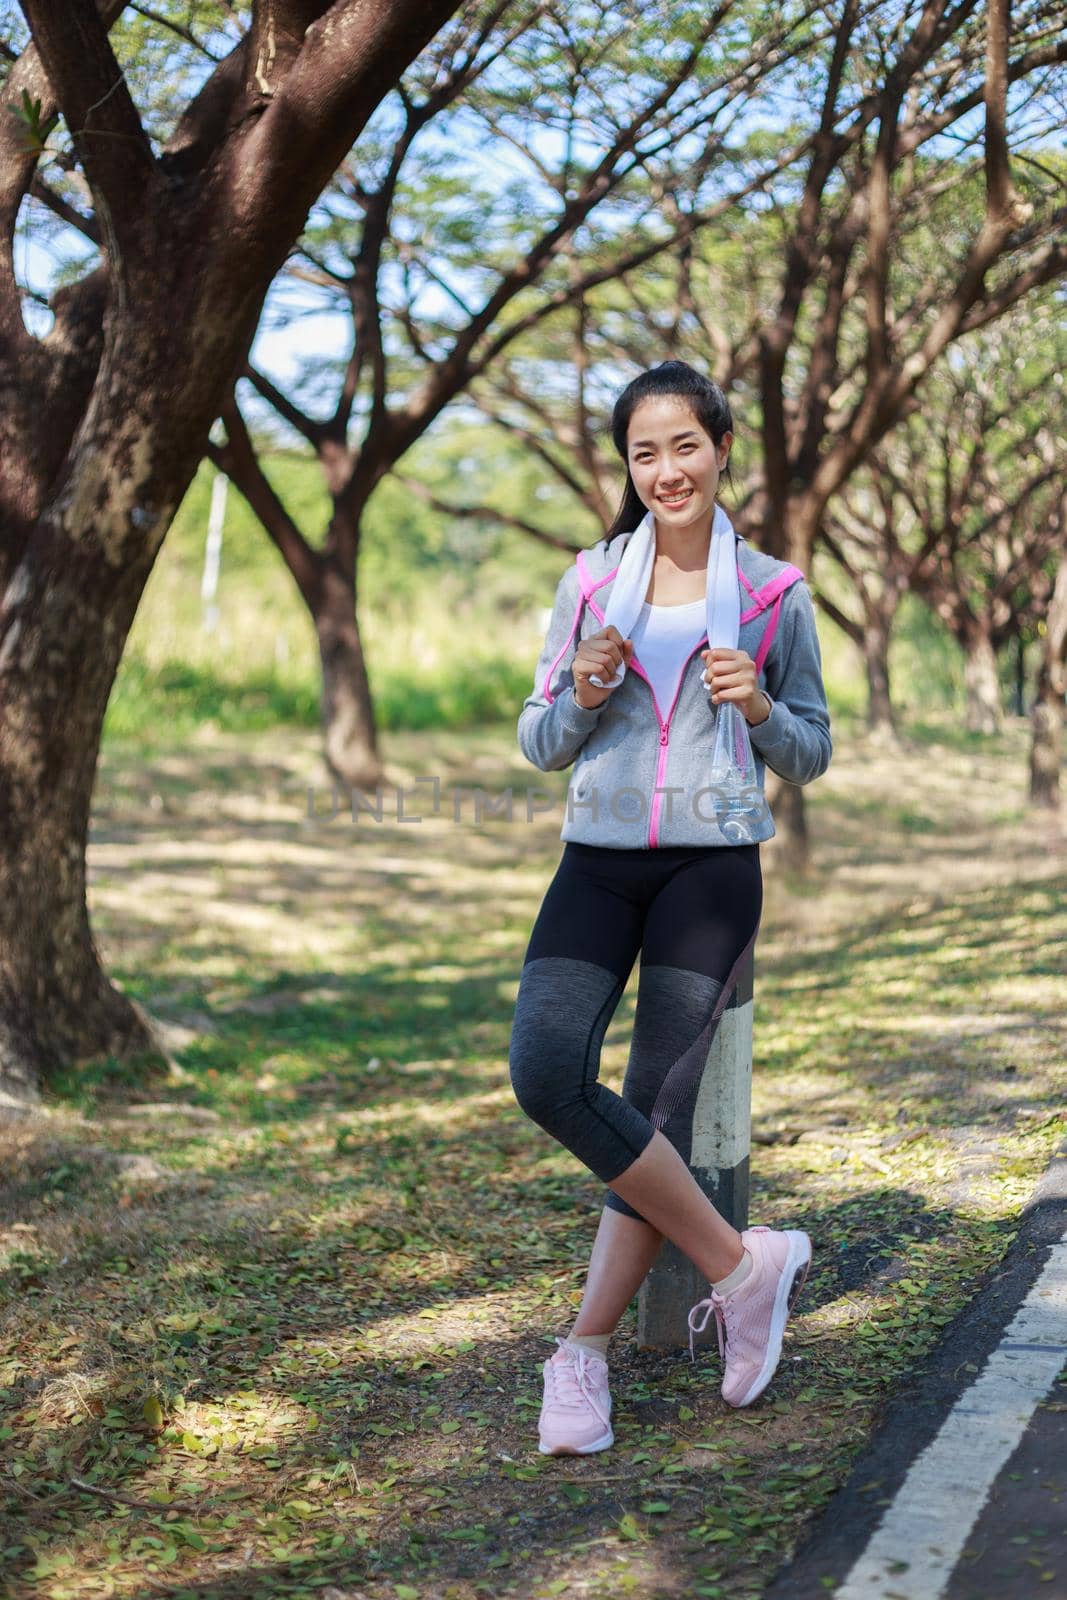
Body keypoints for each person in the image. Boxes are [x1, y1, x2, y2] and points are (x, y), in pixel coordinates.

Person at [508, 360, 832, 1457]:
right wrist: (583, 692)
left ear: (718, 446)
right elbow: (539, 736)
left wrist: (762, 711)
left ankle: (582, 1353)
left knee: (652, 1107)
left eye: (681, 445)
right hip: (595, 862)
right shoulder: (591, 583)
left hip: (710, 869)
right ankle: (746, 1266)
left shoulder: (775, 591)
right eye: (643, 453)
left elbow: (811, 744)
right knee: (544, 1070)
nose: (663, 470)